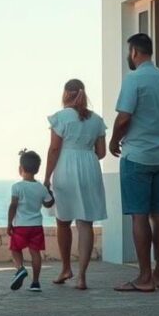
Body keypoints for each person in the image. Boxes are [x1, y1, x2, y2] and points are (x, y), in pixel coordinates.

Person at [110, 33, 159, 293]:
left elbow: (123, 118)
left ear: (134, 52)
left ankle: (143, 278)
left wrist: (113, 142)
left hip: (138, 157)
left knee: (139, 216)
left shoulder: (134, 79)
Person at [43, 79, 107, 290]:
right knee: (85, 222)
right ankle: (82, 276)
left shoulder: (60, 118)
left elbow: (53, 150)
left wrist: (46, 178)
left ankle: (65, 268)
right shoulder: (96, 120)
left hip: (65, 167)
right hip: (89, 167)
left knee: (63, 220)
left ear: (65, 94)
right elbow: (101, 153)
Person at [7, 150, 54, 292]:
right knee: (35, 253)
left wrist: (9, 223)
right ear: (38, 169)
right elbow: (48, 204)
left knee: (15, 249)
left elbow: (13, 206)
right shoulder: (41, 188)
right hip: (36, 226)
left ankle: (20, 268)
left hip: (21, 226)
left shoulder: (17, 187)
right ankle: (35, 283)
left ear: (20, 169)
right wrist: (49, 191)